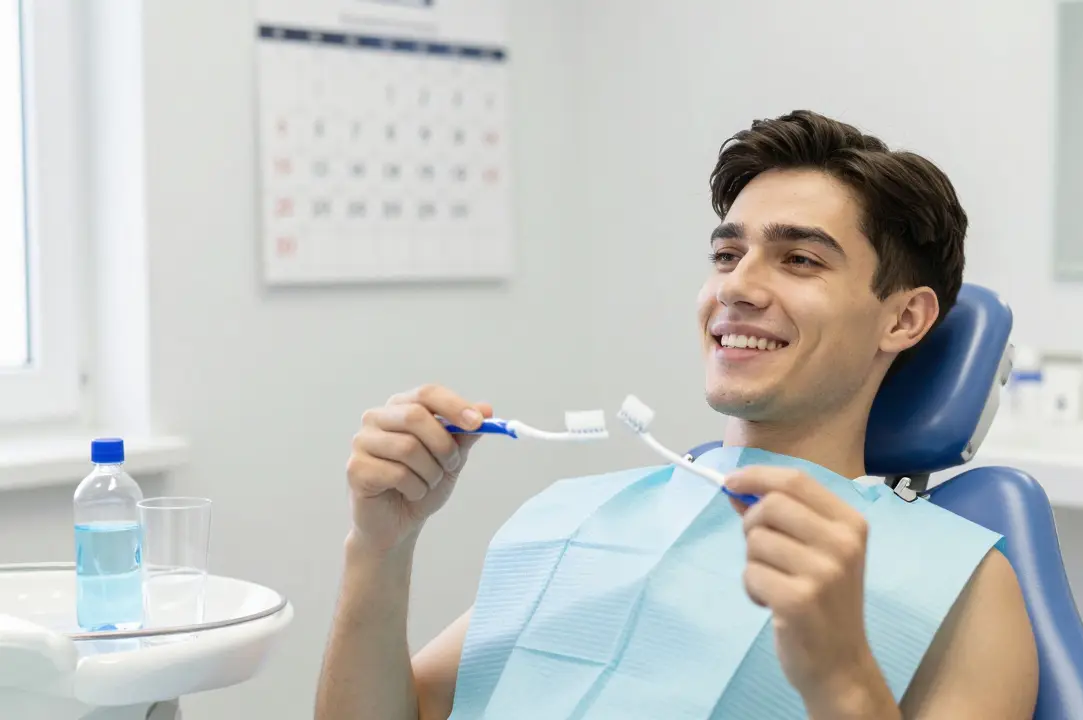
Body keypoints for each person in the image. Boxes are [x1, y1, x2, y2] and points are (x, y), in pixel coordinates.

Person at [316, 110, 1039, 719]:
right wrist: (378, 550)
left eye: (800, 261)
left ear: (904, 318)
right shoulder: (580, 519)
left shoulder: (969, 585)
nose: (738, 287)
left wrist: (843, 676)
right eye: (728, 255)